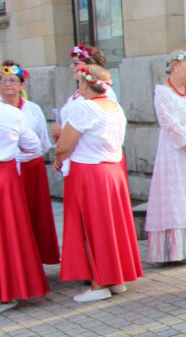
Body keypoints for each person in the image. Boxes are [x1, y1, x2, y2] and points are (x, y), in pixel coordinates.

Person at [54, 65, 143, 302]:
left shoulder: (86, 107)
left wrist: (58, 158)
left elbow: (64, 144)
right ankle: (115, 279)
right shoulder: (115, 107)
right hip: (112, 172)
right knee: (111, 226)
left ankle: (98, 284)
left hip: (89, 173)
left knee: (90, 227)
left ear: (85, 84)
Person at [145, 50, 186, 263]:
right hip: (174, 150)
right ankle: (175, 250)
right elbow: (168, 122)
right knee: (177, 196)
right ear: (175, 65)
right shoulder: (163, 92)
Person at [2, 62, 60, 264]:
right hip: (7, 169)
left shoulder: (33, 110)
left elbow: (42, 142)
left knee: (33, 212)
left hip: (30, 167)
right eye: (3, 80)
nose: (7, 84)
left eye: (12, 80)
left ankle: (36, 257)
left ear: (22, 85)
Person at [0, 102, 48, 313]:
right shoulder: (12, 114)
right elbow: (33, 146)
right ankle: (10, 289)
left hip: (7, 176)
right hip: (6, 177)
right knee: (9, 235)